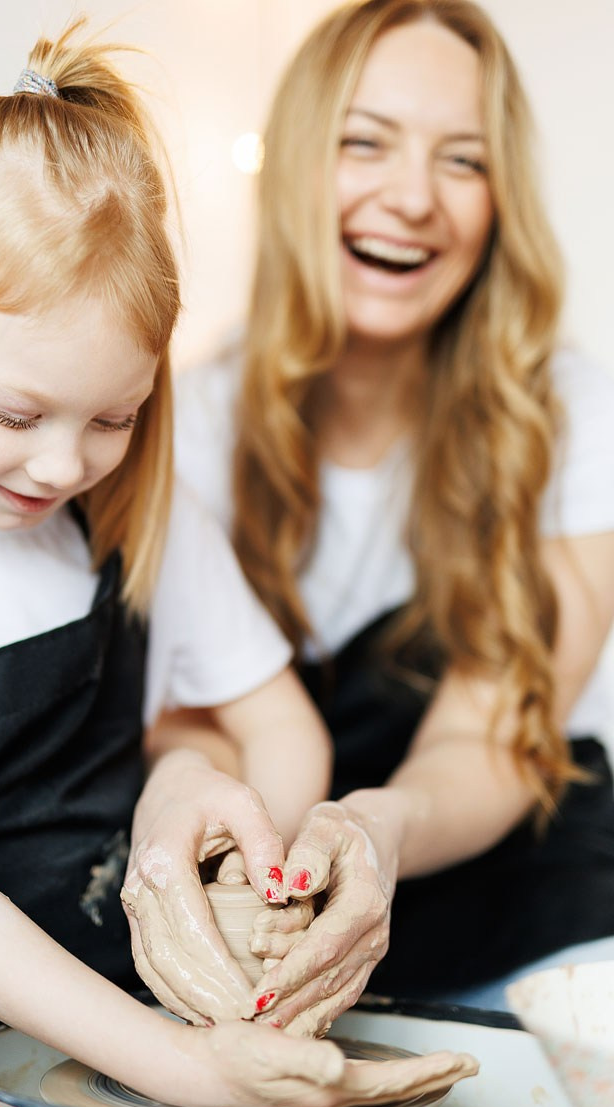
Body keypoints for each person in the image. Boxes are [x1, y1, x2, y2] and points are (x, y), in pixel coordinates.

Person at [0, 21, 481, 1107]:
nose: (64, 465)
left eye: (113, 418)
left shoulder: (136, 517)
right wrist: (177, 1067)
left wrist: (241, 878)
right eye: (19, 414)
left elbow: (283, 730)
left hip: (124, 1019)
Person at [133, 0, 614, 1033]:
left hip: (518, 911)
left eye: (462, 162)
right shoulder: (191, 422)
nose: (410, 199)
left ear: (499, 204)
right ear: (298, 162)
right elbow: (179, 720)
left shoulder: (568, 418)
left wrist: (371, 827)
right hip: (268, 925)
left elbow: (493, 735)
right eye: (364, 143)